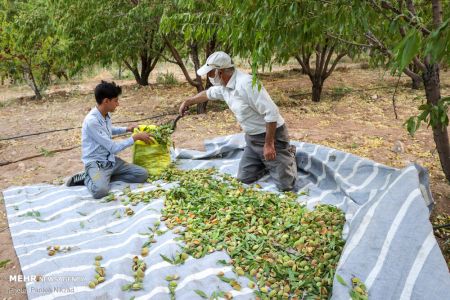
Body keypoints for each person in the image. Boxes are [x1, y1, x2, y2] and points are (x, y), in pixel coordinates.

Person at [179, 51, 298, 191]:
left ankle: (288, 153)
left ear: (220, 72)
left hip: (271, 136)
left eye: (210, 73)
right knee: (244, 178)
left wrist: (269, 144)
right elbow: (208, 94)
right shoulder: (225, 87)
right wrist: (188, 101)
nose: (209, 77)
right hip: (252, 140)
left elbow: (271, 112)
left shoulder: (246, 84)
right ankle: (268, 162)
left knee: (285, 186)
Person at [66, 81, 151, 198]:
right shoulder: (92, 121)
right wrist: (134, 138)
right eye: (115, 100)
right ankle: (87, 177)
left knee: (142, 174)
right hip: (96, 163)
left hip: (110, 161)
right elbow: (113, 148)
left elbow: (109, 129)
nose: (118, 104)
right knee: (100, 191)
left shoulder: (105, 114)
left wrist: (127, 129)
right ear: (106, 101)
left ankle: (103, 178)